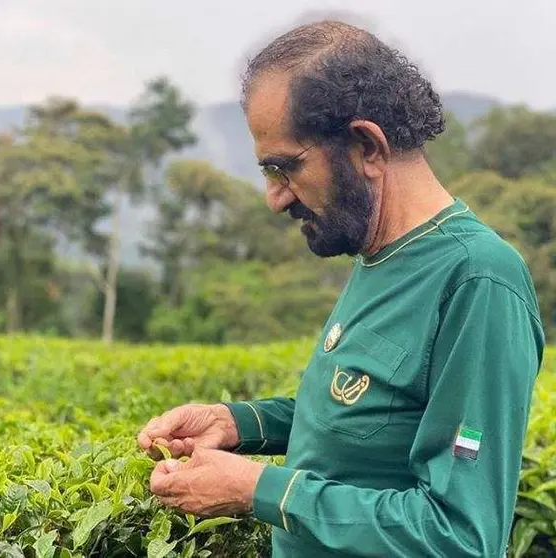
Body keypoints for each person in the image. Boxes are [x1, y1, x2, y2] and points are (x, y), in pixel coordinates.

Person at [137, 20, 545, 557]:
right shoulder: (378, 254)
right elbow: (364, 415)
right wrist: (236, 423)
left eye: (284, 168)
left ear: (367, 146)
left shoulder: (476, 280)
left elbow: (460, 536)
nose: (275, 198)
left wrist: (256, 490)